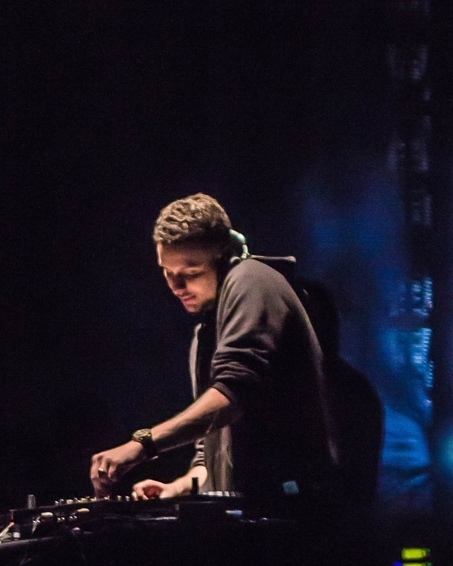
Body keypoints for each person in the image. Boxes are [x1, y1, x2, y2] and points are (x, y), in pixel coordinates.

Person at [89, 194, 336, 507]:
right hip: (254, 513)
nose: (176, 286)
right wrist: (177, 488)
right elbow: (209, 456)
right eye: (167, 272)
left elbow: (234, 395)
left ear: (224, 257)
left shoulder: (251, 281)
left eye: (191, 273)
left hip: (290, 512)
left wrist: (143, 443)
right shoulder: (206, 332)